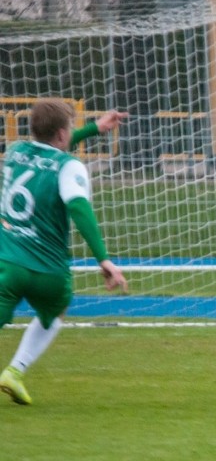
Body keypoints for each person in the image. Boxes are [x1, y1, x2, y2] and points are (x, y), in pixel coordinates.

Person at [0, 99, 129, 405]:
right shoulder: (69, 166)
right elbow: (79, 207)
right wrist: (104, 259)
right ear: (61, 133)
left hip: (7, 264)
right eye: (70, 128)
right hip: (49, 273)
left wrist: (93, 129)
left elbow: (49, 149)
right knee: (55, 309)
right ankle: (14, 372)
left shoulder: (15, 152)